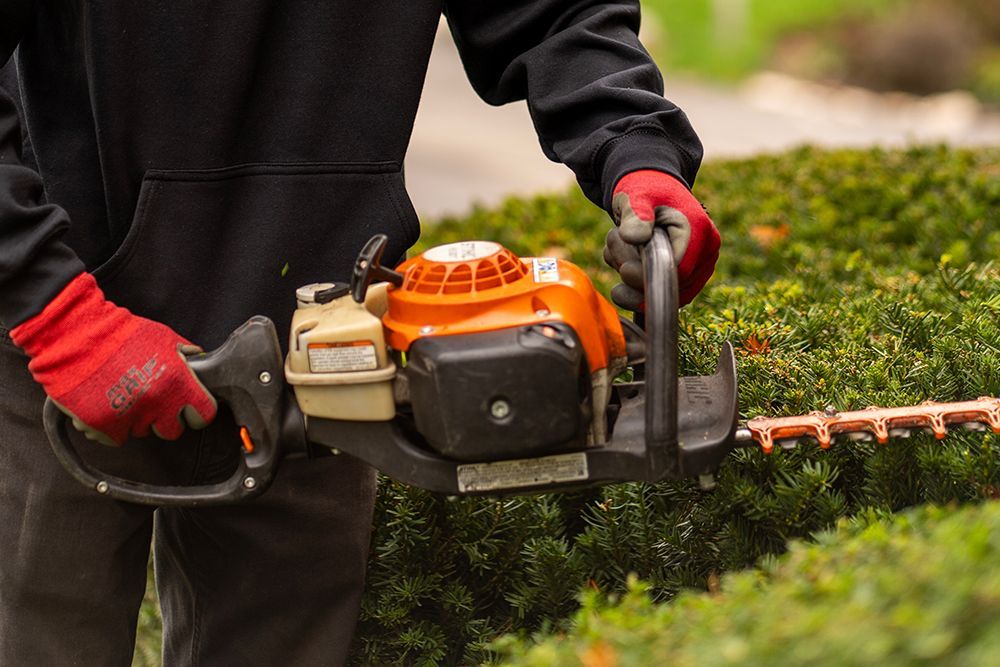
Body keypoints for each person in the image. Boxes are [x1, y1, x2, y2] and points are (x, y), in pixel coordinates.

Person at [0, 2, 720, 664]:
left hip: (322, 346)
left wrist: (636, 148)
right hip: (57, 327)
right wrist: (55, 312)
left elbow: (553, 11)